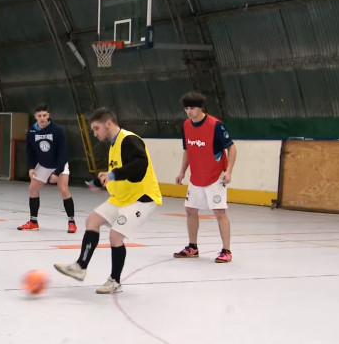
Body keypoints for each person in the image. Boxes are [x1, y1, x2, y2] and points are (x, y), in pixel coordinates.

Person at [54, 107, 162, 294]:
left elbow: (139, 165)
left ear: (108, 124)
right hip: (121, 198)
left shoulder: (128, 140)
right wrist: (101, 180)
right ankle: (80, 267)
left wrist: (113, 175)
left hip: (141, 199)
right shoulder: (114, 145)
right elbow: (118, 170)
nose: (95, 134)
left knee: (115, 236)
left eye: (96, 128)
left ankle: (115, 281)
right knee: (92, 221)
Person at [173, 92, 237, 263]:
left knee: (219, 212)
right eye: (186, 108)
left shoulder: (215, 125)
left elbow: (232, 148)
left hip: (215, 177)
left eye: (192, 108)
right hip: (196, 177)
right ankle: (192, 247)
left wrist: (228, 171)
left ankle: (226, 250)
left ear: (201, 108)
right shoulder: (186, 125)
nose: (189, 112)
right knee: (190, 210)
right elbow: (187, 150)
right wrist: (182, 171)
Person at [17, 103, 76, 233]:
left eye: (44, 115)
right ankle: (33, 222)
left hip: (59, 164)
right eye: (39, 116)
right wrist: (31, 167)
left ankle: (71, 222)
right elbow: (29, 151)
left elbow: (63, 153)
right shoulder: (32, 131)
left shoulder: (57, 130)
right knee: (32, 189)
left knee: (63, 189)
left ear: (48, 115)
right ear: (35, 116)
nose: (42, 118)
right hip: (43, 165)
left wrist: (57, 172)